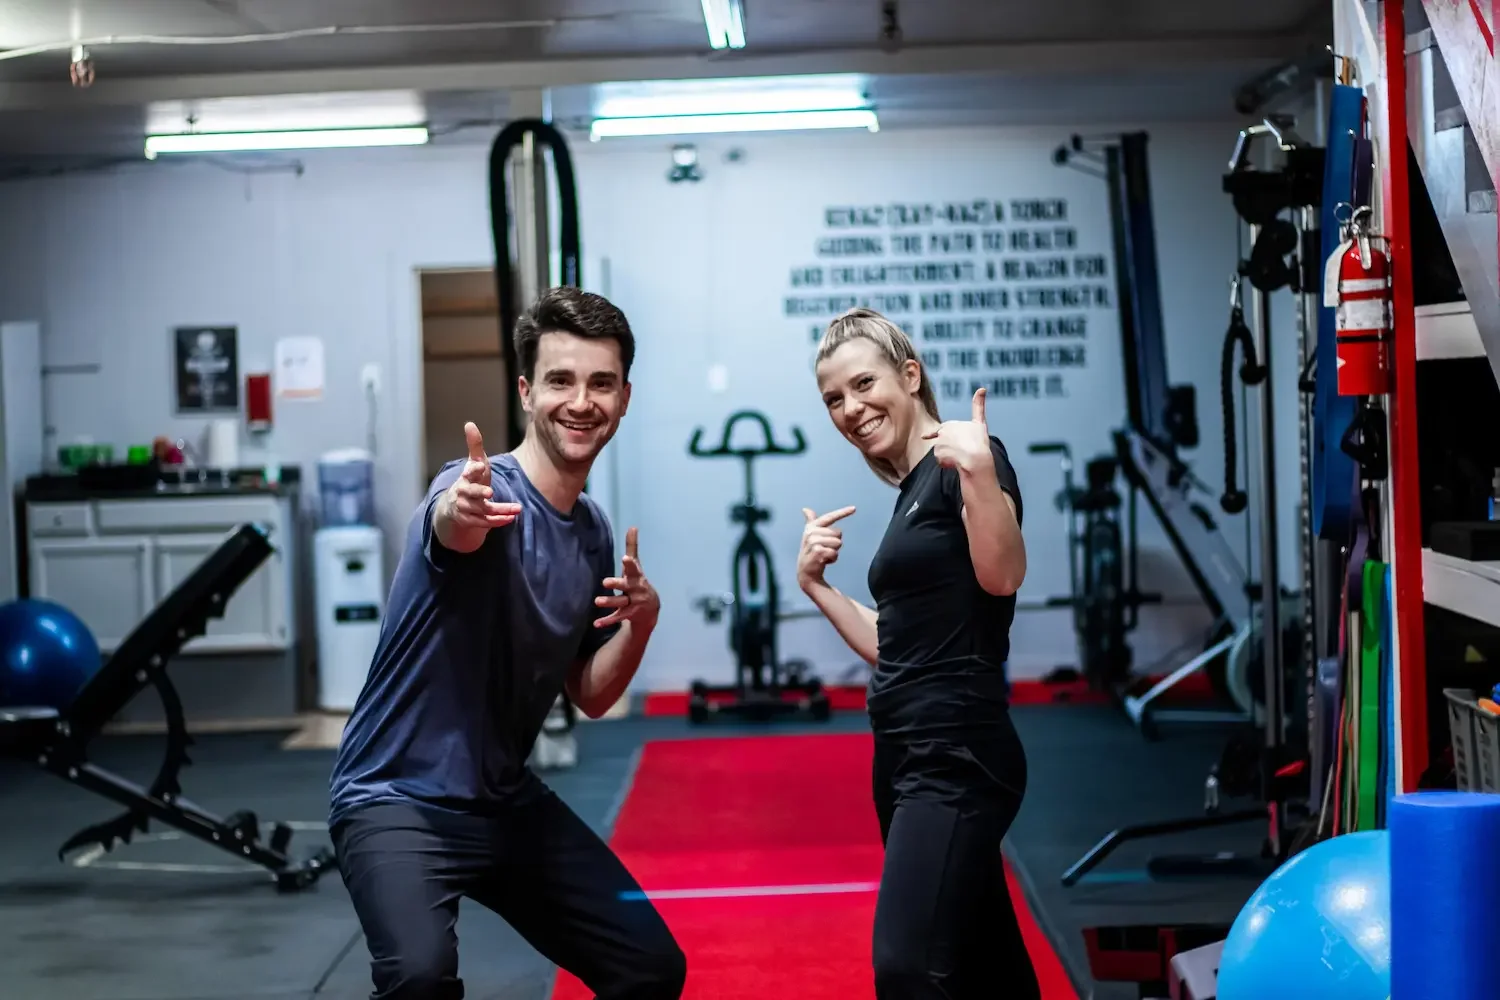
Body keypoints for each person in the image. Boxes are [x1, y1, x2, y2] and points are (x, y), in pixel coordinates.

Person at [327, 286, 686, 1000]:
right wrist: (459, 509)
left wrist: (641, 623)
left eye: (600, 384)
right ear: (526, 391)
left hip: (501, 802)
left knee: (650, 967)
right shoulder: (476, 494)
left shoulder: (591, 532)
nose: (580, 401)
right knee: (420, 979)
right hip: (396, 799)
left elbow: (590, 692)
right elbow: (450, 525)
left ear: (624, 398)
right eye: (560, 380)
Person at [802, 307, 1041, 999]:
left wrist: (979, 474)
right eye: (833, 400)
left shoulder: (968, 463)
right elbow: (898, 648)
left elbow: (1004, 576)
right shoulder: (913, 490)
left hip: (957, 755)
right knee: (982, 962)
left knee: (910, 968)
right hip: (906, 753)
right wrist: (816, 587)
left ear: (910, 376)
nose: (851, 408)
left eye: (863, 383)